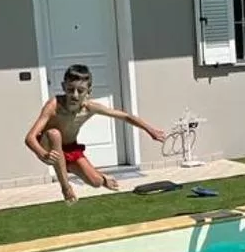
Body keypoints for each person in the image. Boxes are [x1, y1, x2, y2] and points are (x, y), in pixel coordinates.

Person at [25, 64, 168, 203]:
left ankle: (91, 174)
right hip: (48, 147)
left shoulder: (89, 108)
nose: (74, 95)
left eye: (80, 91)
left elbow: (125, 116)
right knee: (54, 134)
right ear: (63, 87)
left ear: (89, 91)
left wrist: (150, 130)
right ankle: (66, 188)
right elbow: (30, 138)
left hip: (70, 149)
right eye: (70, 90)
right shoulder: (53, 105)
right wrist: (42, 154)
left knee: (96, 182)